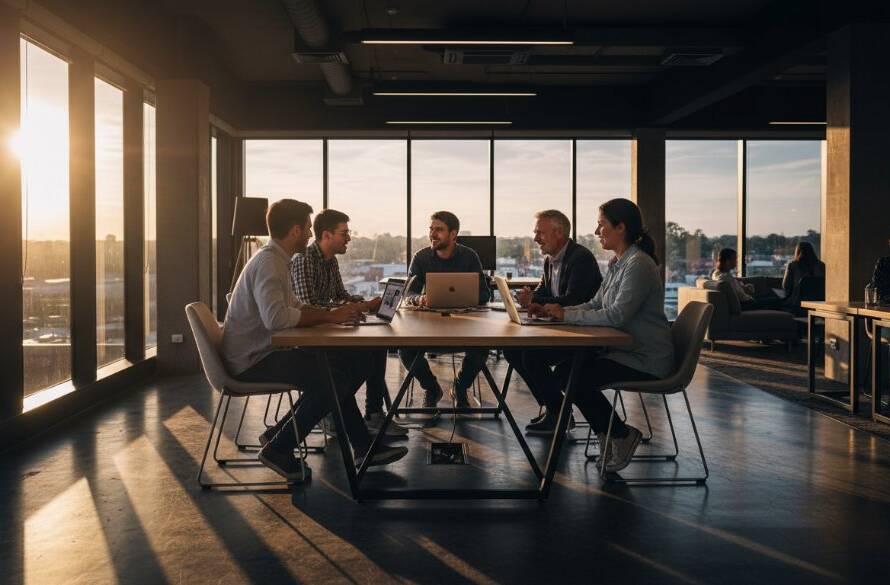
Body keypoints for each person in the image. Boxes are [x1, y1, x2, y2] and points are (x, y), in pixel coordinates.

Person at [221, 199, 407, 481]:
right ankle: (280, 448)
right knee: (335, 378)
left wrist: (334, 314)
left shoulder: (275, 259)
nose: (310, 233)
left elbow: (295, 306)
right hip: (252, 360)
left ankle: (297, 437)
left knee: (336, 374)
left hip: (260, 352)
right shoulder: (270, 262)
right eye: (308, 227)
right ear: (295, 230)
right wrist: (332, 317)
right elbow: (276, 319)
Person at [523, 198, 674, 472]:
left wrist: (565, 315)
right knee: (566, 374)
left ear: (620, 227)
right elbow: (595, 304)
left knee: (572, 377)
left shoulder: (638, 265)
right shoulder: (620, 262)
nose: (596, 232)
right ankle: (611, 433)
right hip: (625, 351)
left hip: (645, 358)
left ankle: (620, 435)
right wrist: (554, 310)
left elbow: (616, 315)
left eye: (601, 225)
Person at [291, 208, 408, 438]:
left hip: (328, 331)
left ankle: (371, 414)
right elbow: (309, 306)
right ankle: (329, 410)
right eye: (344, 233)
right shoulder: (304, 260)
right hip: (308, 338)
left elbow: (341, 295)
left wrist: (369, 303)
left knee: (377, 347)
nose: (349, 238)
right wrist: (360, 308)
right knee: (364, 357)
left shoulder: (330, 261)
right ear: (326, 235)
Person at [501, 209, 602, 432]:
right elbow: (544, 290)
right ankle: (554, 409)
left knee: (531, 355)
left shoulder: (580, 258)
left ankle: (559, 413)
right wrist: (531, 297)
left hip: (584, 335)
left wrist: (537, 299)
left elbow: (575, 299)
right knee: (511, 349)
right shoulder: (550, 259)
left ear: (558, 233)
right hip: (563, 330)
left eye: (540, 232)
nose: (536, 238)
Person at [401, 211, 492, 408]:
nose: (433, 234)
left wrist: (464, 297)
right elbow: (407, 294)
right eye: (431, 229)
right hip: (429, 326)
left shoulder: (469, 256)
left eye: (439, 230)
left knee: (481, 349)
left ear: (453, 234)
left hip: (464, 325)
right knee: (405, 350)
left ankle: (459, 387)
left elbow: (485, 294)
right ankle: (431, 388)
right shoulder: (421, 257)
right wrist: (419, 299)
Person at [711, 248, 784, 311]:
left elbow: (735, 291)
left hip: (746, 302)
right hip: (747, 304)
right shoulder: (726, 277)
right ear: (727, 261)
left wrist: (743, 288)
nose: (736, 262)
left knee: (770, 292)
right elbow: (741, 297)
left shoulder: (716, 273)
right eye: (735, 259)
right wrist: (746, 291)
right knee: (776, 299)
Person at [781, 241, 825, 307]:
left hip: (797, 302)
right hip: (818, 301)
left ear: (797, 251)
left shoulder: (792, 265)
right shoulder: (821, 265)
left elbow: (786, 285)